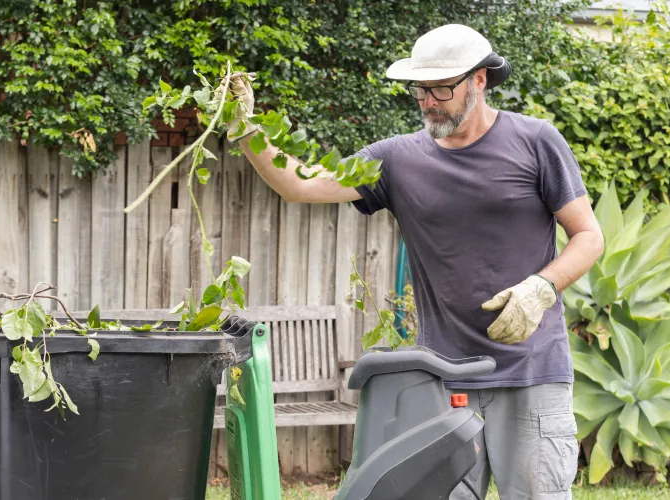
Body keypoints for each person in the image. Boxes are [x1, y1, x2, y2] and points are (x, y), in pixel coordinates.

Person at [224, 23, 604, 500]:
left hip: (530, 374)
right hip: (441, 381)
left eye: (441, 88)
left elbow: (588, 236)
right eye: (419, 89)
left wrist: (541, 288)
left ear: (480, 79)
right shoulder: (396, 159)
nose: (427, 100)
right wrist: (245, 130)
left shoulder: (535, 142)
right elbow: (302, 183)